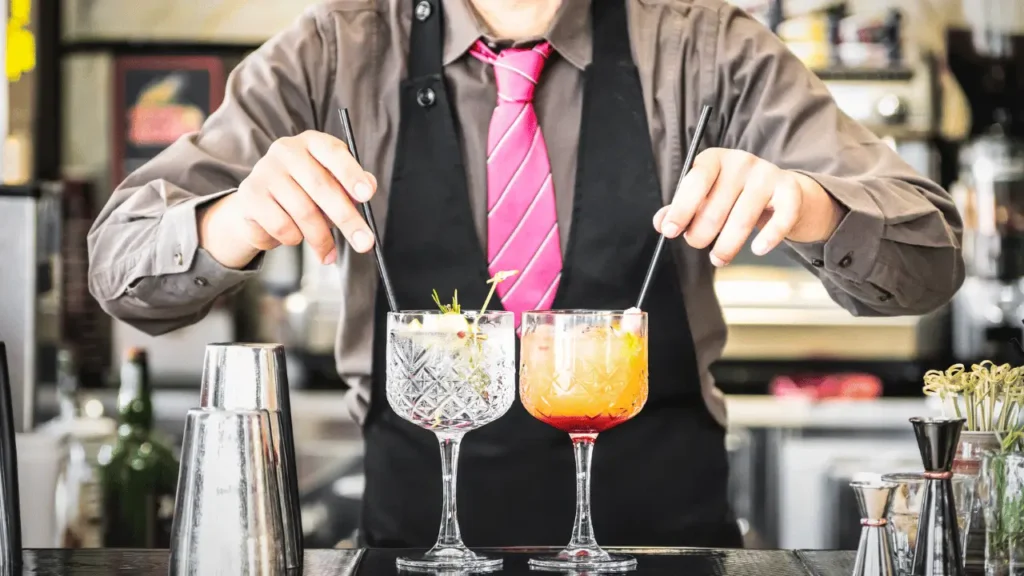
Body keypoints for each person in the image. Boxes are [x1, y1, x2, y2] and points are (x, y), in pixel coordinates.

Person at [88, 0, 964, 548]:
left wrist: (809, 202)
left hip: (662, 544)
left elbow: (931, 261)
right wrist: (237, 216)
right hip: (413, 544)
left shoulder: (707, 45)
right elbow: (119, 267)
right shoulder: (335, 49)